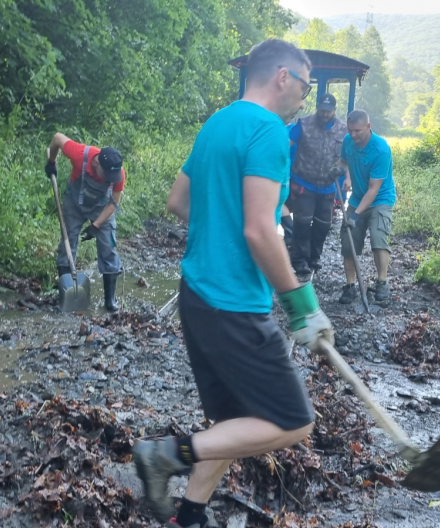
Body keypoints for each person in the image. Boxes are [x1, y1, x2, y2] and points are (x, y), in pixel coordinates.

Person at [131, 39, 335, 528]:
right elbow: (259, 230)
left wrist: (225, 218)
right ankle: (165, 454)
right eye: (306, 87)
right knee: (293, 421)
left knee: (235, 421)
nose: (305, 99)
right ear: (282, 76)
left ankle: (190, 515)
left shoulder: (217, 123)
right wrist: (303, 306)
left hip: (197, 293)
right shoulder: (268, 130)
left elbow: (178, 200)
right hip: (234, 302)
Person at [44, 134, 125, 311]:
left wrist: (96, 225)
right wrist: (51, 162)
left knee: (108, 247)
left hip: (102, 208)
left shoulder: (117, 174)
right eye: (108, 174)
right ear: (97, 164)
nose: (112, 178)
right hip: (75, 203)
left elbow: (114, 203)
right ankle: (66, 294)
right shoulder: (80, 154)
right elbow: (57, 138)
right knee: (68, 241)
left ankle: (110, 301)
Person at [285, 93, 348, 281]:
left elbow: (348, 157)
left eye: (328, 111)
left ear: (334, 111)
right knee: (302, 223)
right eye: (322, 110)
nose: (324, 114)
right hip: (304, 181)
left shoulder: (343, 130)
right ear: (317, 108)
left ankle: (314, 257)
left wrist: (346, 175)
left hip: (328, 185)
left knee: (323, 225)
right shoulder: (303, 124)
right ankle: (300, 261)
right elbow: (286, 144)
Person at [336, 110, 396, 304]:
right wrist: (340, 171)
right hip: (357, 198)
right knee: (349, 240)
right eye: (350, 130)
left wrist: (356, 214)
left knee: (378, 238)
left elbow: (373, 189)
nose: (353, 135)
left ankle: (382, 283)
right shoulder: (348, 141)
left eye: (358, 131)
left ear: (368, 127)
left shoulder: (381, 150)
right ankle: (351, 286)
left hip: (380, 199)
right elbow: (344, 162)